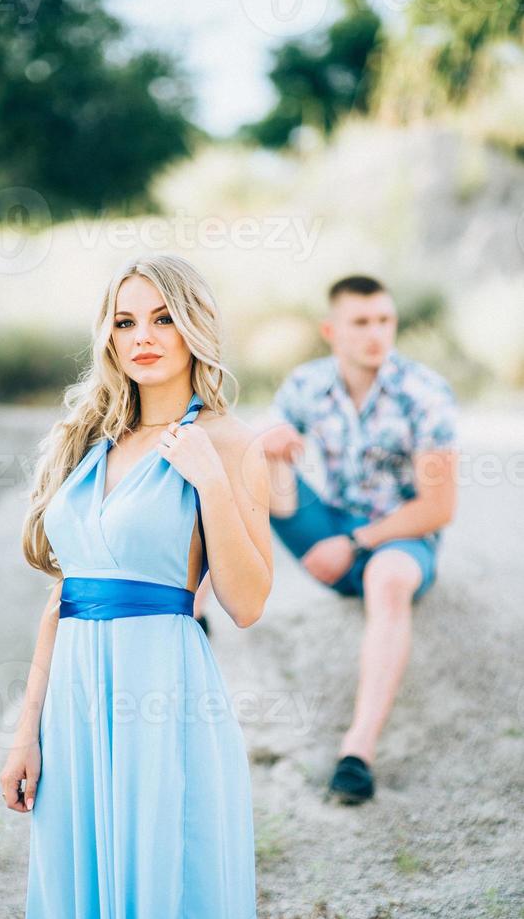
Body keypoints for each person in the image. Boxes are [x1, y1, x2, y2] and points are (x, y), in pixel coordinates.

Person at [0, 253, 272, 919]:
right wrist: (26, 733)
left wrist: (212, 482)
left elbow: (247, 602)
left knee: (164, 888)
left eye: (162, 318)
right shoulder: (89, 441)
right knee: (76, 898)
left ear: (194, 329)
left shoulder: (233, 443)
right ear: (109, 337)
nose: (142, 335)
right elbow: (63, 597)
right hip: (76, 706)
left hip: (163, 696)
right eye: (125, 321)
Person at [195, 274, 458, 804]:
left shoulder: (424, 393)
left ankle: (356, 754)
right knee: (249, 462)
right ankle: (195, 607)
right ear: (332, 330)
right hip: (329, 525)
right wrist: (271, 440)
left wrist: (354, 544)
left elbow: (438, 507)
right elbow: (254, 444)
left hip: (400, 541)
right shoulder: (308, 384)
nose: (375, 334)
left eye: (384, 321)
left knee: (387, 580)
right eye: (361, 322)